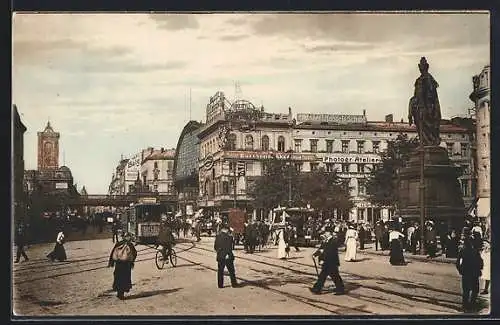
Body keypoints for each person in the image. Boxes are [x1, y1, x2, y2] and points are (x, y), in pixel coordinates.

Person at [408, 57, 442, 146]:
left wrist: (432, 108)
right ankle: (424, 143)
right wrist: (410, 111)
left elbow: (432, 95)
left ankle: (430, 141)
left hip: (428, 106)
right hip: (419, 106)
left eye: (423, 66)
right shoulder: (418, 80)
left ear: (426, 67)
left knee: (427, 124)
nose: (421, 69)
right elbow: (415, 95)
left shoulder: (429, 78)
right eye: (420, 67)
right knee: (420, 125)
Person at [456, 235, 483, 312]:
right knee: (475, 290)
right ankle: (472, 305)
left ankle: (465, 306)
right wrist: (479, 269)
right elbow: (480, 262)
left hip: (466, 274)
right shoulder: (476, 251)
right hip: (474, 274)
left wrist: (461, 271)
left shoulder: (462, 251)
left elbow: (458, 263)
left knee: (466, 291)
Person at [108, 232, 137, 300]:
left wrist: (111, 262)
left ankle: (119, 293)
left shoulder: (119, 243)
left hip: (119, 264)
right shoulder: (130, 245)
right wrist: (132, 262)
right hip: (126, 265)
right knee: (125, 278)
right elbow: (134, 254)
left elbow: (113, 253)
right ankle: (122, 294)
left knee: (118, 277)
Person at [214, 223, 238, 288]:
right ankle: (234, 284)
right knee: (231, 271)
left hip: (220, 256)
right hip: (228, 256)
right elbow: (230, 247)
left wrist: (219, 252)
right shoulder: (229, 237)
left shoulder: (218, 236)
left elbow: (215, 247)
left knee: (220, 271)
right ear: (226, 229)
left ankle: (220, 285)